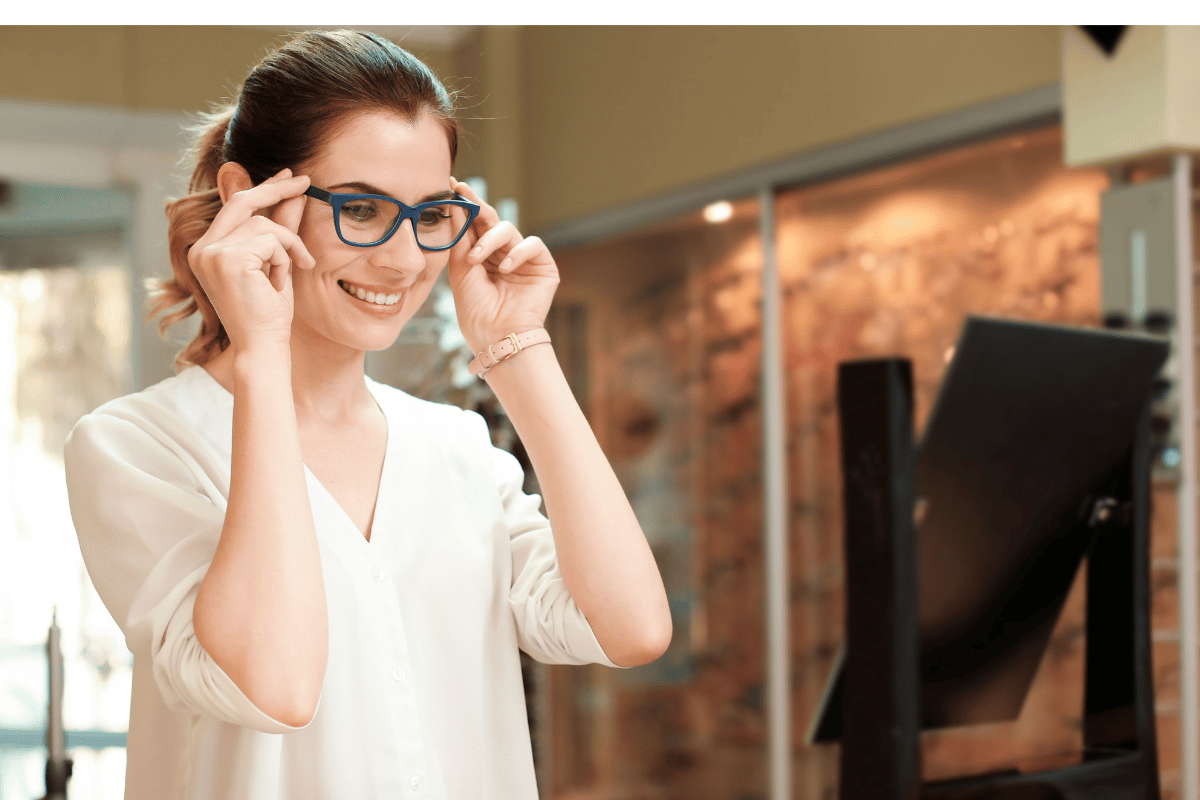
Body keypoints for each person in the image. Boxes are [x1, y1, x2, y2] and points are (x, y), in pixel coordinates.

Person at [63, 30, 671, 800]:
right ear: (251, 199)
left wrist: (518, 349)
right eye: (360, 208)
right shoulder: (135, 448)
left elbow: (632, 627)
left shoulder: (455, 446)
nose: (404, 258)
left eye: (430, 214)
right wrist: (261, 350)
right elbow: (275, 686)